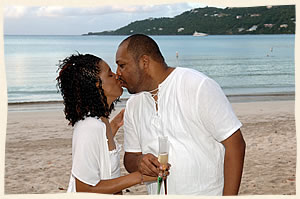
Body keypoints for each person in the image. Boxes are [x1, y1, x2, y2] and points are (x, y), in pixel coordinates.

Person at [115, 34, 246, 195]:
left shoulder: (197, 86)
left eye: (122, 65)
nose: (117, 73)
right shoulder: (134, 104)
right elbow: (130, 159)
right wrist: (139, 162)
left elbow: (236, 144)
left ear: (144, 62)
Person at [56, 53, 158, 194]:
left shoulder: (101, 122)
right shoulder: (89, 127)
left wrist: (115, 125)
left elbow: (101, 149)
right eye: (110, 75)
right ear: (96, 85)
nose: (117, 75)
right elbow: (85, 189)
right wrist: (140, 176)